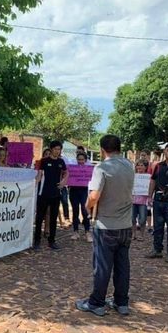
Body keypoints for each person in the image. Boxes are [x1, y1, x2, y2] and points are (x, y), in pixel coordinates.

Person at [75, 135, 134, 316]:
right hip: (125, 225)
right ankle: (121, 302)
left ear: (102, 150)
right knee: (123, 266)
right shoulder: (129, 166)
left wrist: (87, 207)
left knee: (102, 267)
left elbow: (94, 196)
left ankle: (96, 302)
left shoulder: (102, 168)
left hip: (106, 225)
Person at [33, 141, 68, 250]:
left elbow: (66, 172)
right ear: (51, 149)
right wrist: (34, 184)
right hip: (43, 193)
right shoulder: (43, 161)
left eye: (59, 149)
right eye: (56, 149)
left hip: (56, 194)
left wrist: (63, 182)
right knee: (39, 218)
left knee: (53, 219)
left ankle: (51, 241)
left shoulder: (61, 162)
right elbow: (38, 175)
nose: (57, 151)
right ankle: (37, 241)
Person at [69, 152, 92, 242]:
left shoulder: (88, 169)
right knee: (75, 211)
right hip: (74, 190)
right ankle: (75, 231)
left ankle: (87, 232)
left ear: (85, 160)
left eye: (82, 160)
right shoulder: (72, 168)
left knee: (85, 211)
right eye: (79, 159)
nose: (80, 161)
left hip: (84, 191)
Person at [132, 159, 149, 241]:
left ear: (146, 167)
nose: (139, 167)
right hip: (133, 200)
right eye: (138, 165)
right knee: (132, 218)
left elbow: (150, 188)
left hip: (143, 201)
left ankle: (141, 235)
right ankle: (133, 234)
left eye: (142, 165)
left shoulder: (149, 177)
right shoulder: (133, 176)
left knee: (142, 219)